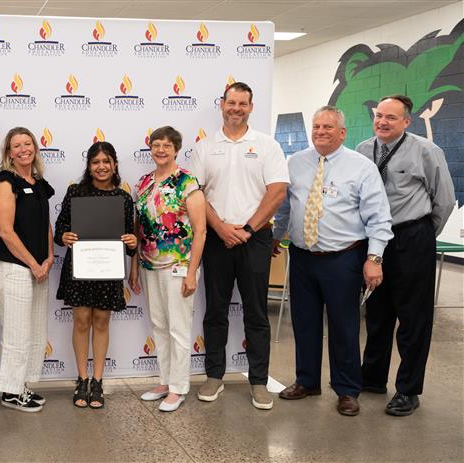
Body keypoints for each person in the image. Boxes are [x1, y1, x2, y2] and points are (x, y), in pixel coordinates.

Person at [273, 106, 393, 416]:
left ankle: (347, 389)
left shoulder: (361, 167)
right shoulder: (295, 163)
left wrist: (374, 258)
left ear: (342, 132)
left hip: (343, 259)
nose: (320, 131)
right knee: (304, 323)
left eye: (328, 126)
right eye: (316, 126)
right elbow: (286, 208)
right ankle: (307, 381)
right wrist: (275, 236)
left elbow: (379, 219)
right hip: (301, 256)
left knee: (344, 326)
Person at [189, 82, 289, 410]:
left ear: (251, 106)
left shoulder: (266, 145)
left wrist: (246, 229)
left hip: (254, 238)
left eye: (242, 103)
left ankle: (258, 381)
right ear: (222, 105)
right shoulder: (205, 147)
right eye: (231, 102)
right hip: (217, 239)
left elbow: (277, 192)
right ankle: (214, 376)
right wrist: (220, 227)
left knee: (257, 313)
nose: (236, 108)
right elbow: (196, 194)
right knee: (215, 311)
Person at [356, 95, 456, 416]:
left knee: (413, 318)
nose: (383, 122)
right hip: (375, 240)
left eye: (391, 118)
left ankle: (408, 390)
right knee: (377, 313)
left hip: (411, 237)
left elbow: (445, 200)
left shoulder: (426, 151)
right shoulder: (362, 150)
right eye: (379, 115)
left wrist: (423, 234)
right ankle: (371, 378)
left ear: (406, 122)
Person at [129, 126, 206, 412]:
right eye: (156, 145)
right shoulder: (145, 182)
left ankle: (179, 387)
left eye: (166, 145)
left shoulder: (187, 182)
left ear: (176, 149)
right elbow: (141, 229)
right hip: (149, 264)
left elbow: (200, 231)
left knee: (178, 328)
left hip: (178, 264)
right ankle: (164, 380)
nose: (161, 149)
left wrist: (191, 271)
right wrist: (135, 267)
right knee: (160, 326)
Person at [55, 141, 137, 409]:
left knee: (101, 321)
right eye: (95, 162)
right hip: (80, 266)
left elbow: (129, 239)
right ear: (89, 167)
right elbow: (59, 231)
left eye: (106, 161)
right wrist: (64, 236)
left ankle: (98, 381)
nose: (101, 167)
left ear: (114, 165)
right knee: (80, 321)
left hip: (108, 268)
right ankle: (81, 379)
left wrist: (132, 242)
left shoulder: (124, 198)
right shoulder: (75, 193)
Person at [0, 127, 54, 412]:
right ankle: (11, 393)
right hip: (14, 267)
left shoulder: (38, 183)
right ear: (9, 153)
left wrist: (49, 258)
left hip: (39, 267)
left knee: (34, 330)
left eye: (28, 143)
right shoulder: (5, 183)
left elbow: (46, 225)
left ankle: (22, 386)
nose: (24, 149)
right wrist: (32, 264)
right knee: (16, 332)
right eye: (17, 145)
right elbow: (5, 232)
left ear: (35, 149)